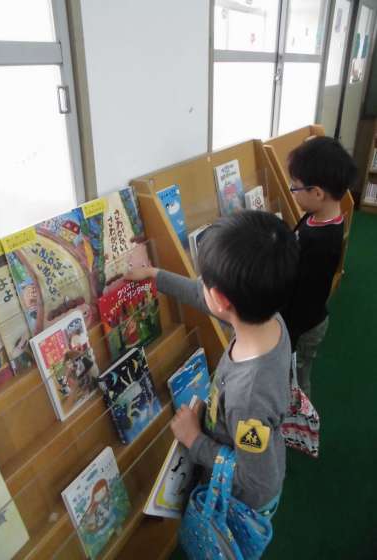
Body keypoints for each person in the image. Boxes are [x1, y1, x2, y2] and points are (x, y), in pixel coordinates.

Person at [126, 210, 299, 516]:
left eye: (204, 282)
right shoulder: (269, 318)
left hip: (241, 504)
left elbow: (256, 481)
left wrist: (194, 440)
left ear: (221, 300)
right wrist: (155, 275)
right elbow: (203, 295)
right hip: (246, 447)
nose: (200, 286)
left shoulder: (249, 397)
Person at [282, 136, 357, 398]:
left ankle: (303, 420)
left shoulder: (322, 242)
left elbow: (304, 300)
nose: (292, 192)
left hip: (304, 327)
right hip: (305, 320)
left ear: (317, 193)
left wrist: (288, 337)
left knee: (298, 380)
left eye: (295, 187)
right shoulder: (319, 216)